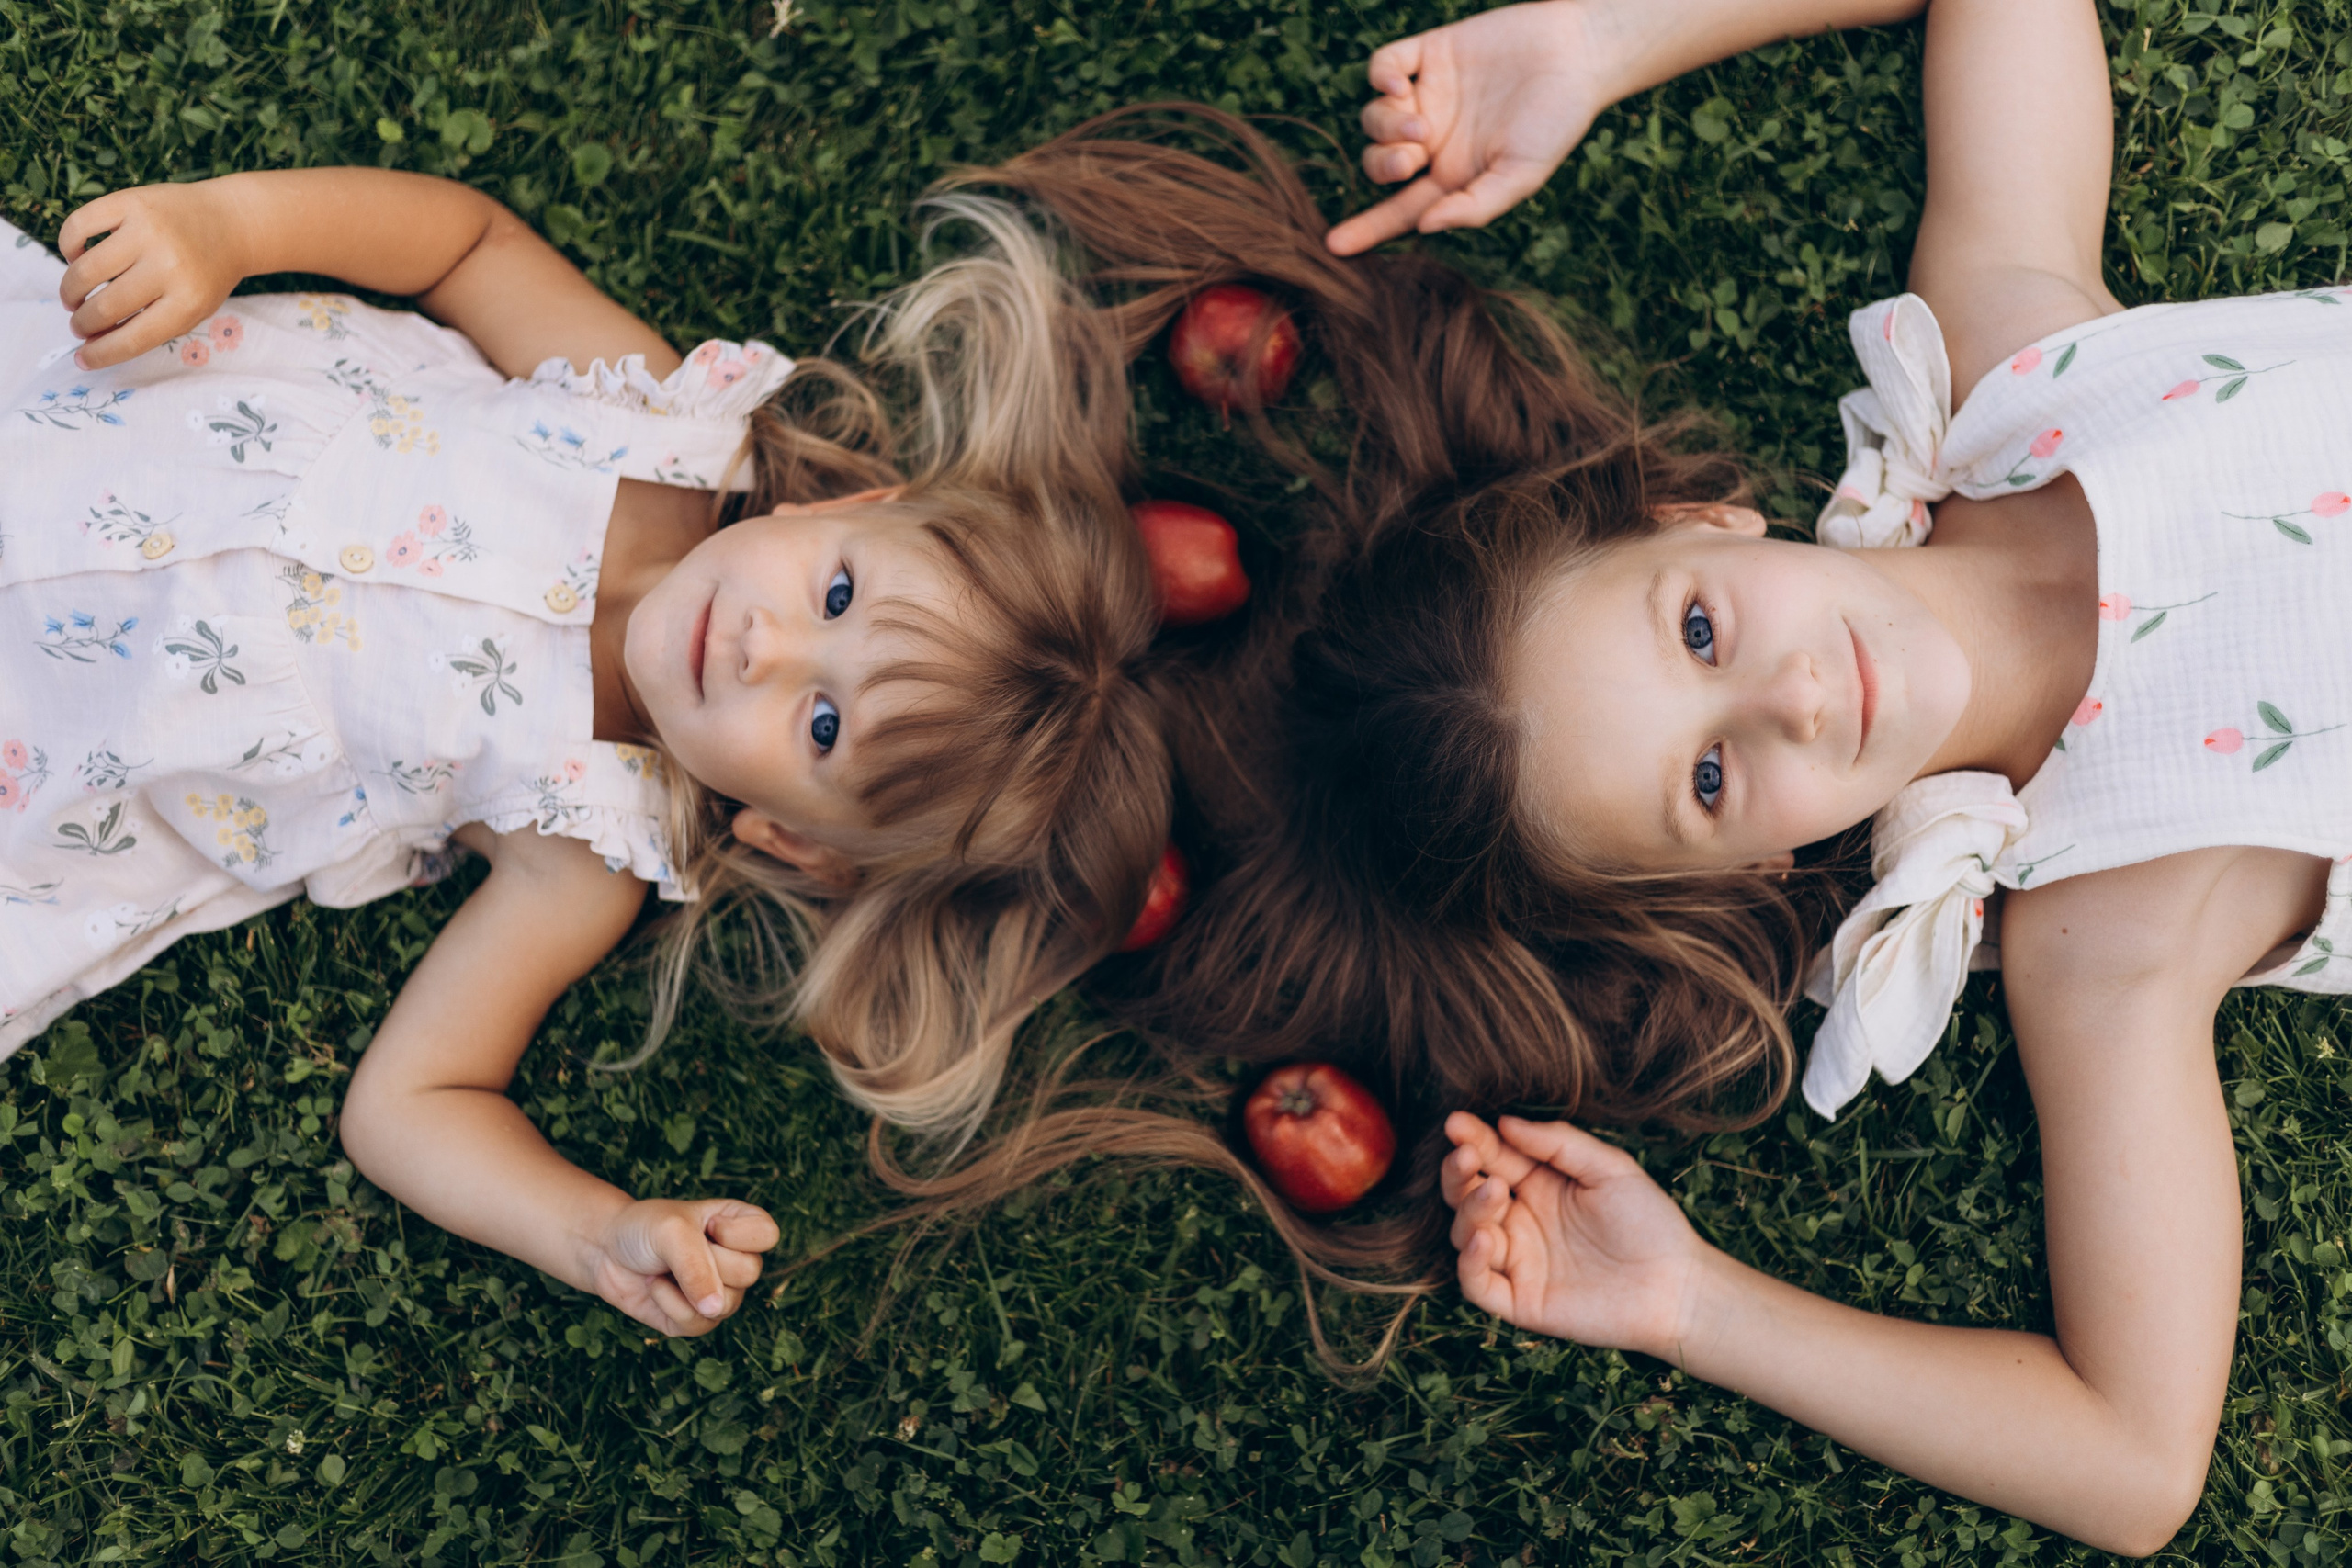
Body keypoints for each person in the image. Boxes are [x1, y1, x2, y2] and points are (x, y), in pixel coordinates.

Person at [1276, 0, 2335, 1550]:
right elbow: (2133, 1457)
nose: (1784, 698)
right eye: (1708, 780)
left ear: (1705, 522)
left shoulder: (2011, 361)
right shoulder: (2108, 931)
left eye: (1701, 627)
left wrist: (1600, 44)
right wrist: (1695, 1301)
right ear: (1744, 871)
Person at [0, 167, 1170, 1337]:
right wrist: (231, 227)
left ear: (788, 836)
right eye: (839, 592)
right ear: (844, 507)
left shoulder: (584, 851)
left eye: (823, 725)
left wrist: (596, 1230)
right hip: (74, 395)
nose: (767, 646)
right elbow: (463, 243)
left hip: (60, 715)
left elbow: (412, 1102)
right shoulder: (660, 415)